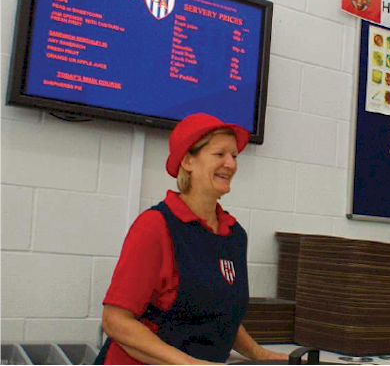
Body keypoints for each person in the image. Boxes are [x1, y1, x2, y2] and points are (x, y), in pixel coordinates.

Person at [96, 113, 288, 364]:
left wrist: (262, 355)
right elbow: (115, 320)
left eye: (234, 156)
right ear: (188, 160)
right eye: (220, 154)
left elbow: (220, 317)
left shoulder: (234, 234)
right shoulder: (155, 226)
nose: (231, 164)